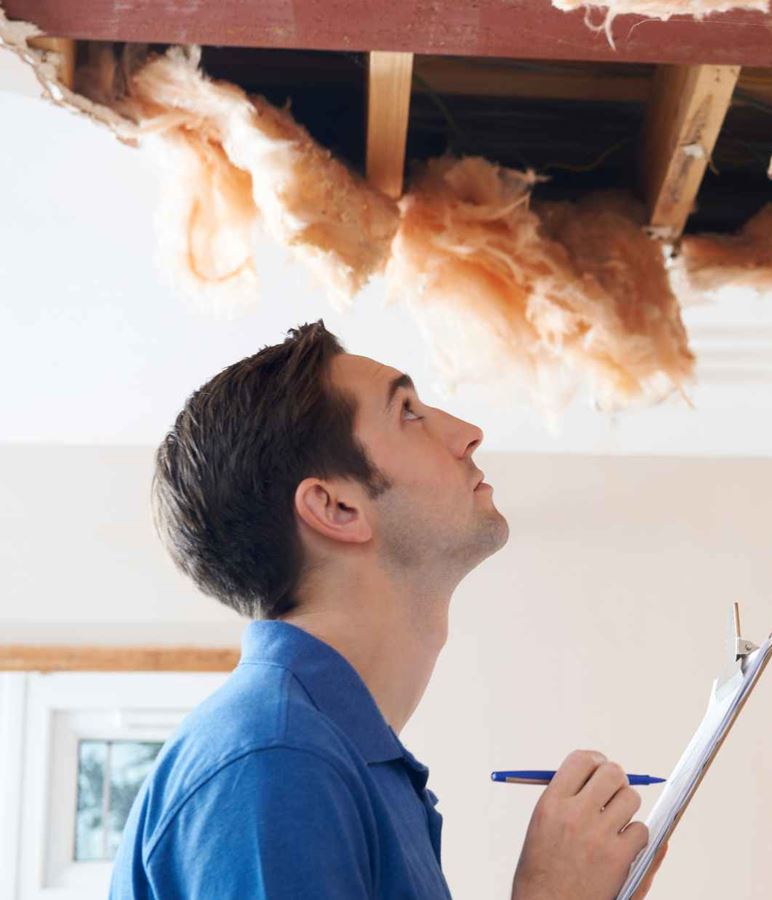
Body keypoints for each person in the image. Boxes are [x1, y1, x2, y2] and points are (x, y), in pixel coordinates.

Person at [111, 321, 665, 899]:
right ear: (336, 507)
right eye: (407, 413)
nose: (469, 433)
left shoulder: (338, 764)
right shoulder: (278, 760)